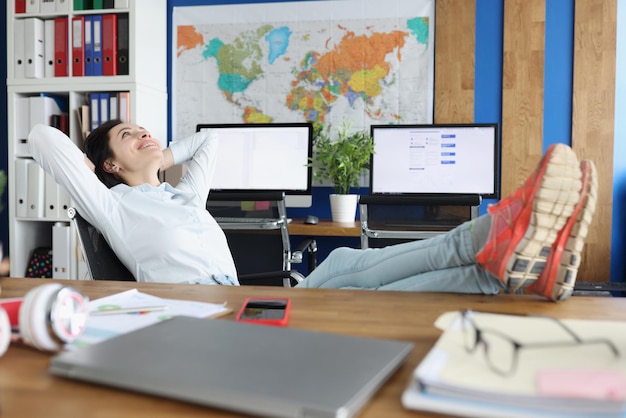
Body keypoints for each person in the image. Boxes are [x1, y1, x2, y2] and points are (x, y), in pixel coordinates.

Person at [28, 122, 597, 302]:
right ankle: (505, 234)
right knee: (360, 289)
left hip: (239, 299)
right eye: (129, 137)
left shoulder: (183, 196)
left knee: (349, 258)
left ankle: (511, 261)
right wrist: (104, 167)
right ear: (104, 165)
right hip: (212, 313)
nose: (144, 134)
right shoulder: (111, 205)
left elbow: (209, 141)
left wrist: (163, 155)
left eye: (144, 129)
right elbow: (41, 136)